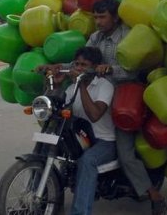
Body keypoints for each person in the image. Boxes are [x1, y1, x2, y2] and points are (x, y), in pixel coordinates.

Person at [87, 0, 167, 215]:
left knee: (125, 153)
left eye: (102, 17)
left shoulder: (129, 36)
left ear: (115, 17)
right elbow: (83, 61)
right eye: (95, 17)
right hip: (99, 97)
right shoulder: (95, 38)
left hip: (124, 99)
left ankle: (154, 195)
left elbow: (133, 71)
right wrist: (58, 67)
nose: (98, 22)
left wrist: (110, 70)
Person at [63, 46, 116, 215]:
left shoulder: (104, 86)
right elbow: (59, 113)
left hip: (105, 142)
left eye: (84, 65)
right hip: (82, 139)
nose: (79, 68)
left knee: (87, 161)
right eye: (77, 64)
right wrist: (54, 84)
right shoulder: (70, 89)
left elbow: (94, 115)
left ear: (95, 67)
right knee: (48, 146)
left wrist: (81, 85)